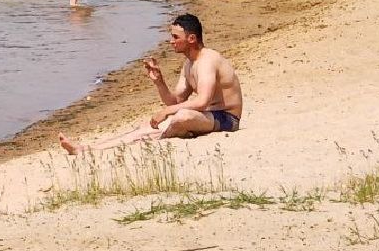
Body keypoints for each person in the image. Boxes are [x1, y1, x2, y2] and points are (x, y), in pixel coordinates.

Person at [59, 13, 242, 154]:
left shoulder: (207, 60)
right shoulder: (189, 63)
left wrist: (166, 112)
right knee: (148, 125)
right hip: (208, 116)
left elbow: (202, 101)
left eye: (175, 37)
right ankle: (86, 149)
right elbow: (175, 101)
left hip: (226, 119)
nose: (171, 42)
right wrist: (159, 82)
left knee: (181, 116)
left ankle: (159, 137)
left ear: (192, 39)